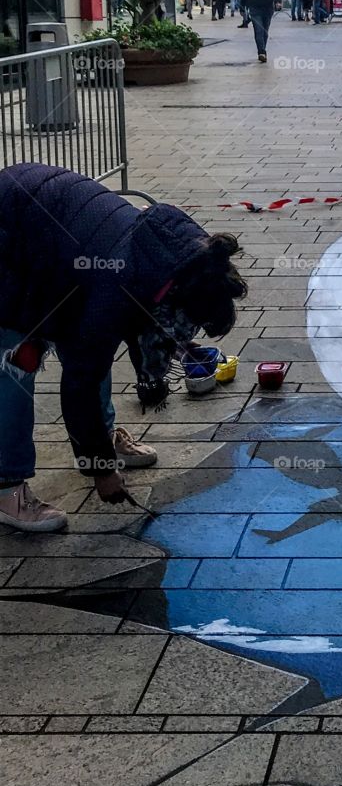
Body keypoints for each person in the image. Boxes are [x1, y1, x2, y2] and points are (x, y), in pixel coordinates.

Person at [0, 163, 247, 532]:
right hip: (11, 238)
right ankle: (7, 488)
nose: (183, 333)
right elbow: (80, 382)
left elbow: (135, 322)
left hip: (51, 235)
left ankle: (102, 443)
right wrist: (102, 474)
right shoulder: (118, 287)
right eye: (185, 324)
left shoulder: (188, 257)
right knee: (15, 364)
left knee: (88, 341)